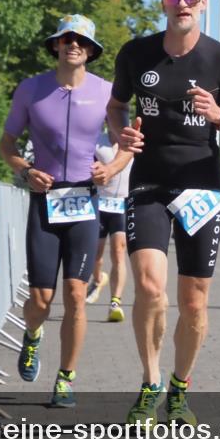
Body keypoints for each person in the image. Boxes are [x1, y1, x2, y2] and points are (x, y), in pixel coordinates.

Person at [108, 0, 220, 427]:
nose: (183, 1)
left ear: (203, 3)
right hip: (148, 184)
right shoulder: (136, 54)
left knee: (195, 302)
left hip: (201, 189)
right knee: (149, 287)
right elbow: (116, 106)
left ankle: (180, 388)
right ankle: (150, 382)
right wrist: (121, 133)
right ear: (162, 0)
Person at [0, 14, 124, 408]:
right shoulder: (31, 90)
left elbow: (127, 145)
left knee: (74, 293)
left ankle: (66, 379)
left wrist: (111, 169)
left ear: (90, 51)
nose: (74, 45)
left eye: (82, 42)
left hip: (86, 202)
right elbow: (7, 145)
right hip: (45, 199)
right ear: (56, 45)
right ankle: (32, 335)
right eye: (67, 39)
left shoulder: (107, 93)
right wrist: (25, 171)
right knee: (40, 298)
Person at [88, 130, 133, 322]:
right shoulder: (97, 141)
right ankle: (98, 279)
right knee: (95, 255)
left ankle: (115, 302)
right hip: (100, 203)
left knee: (118, 252)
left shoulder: (132, 140)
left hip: (122, 203)